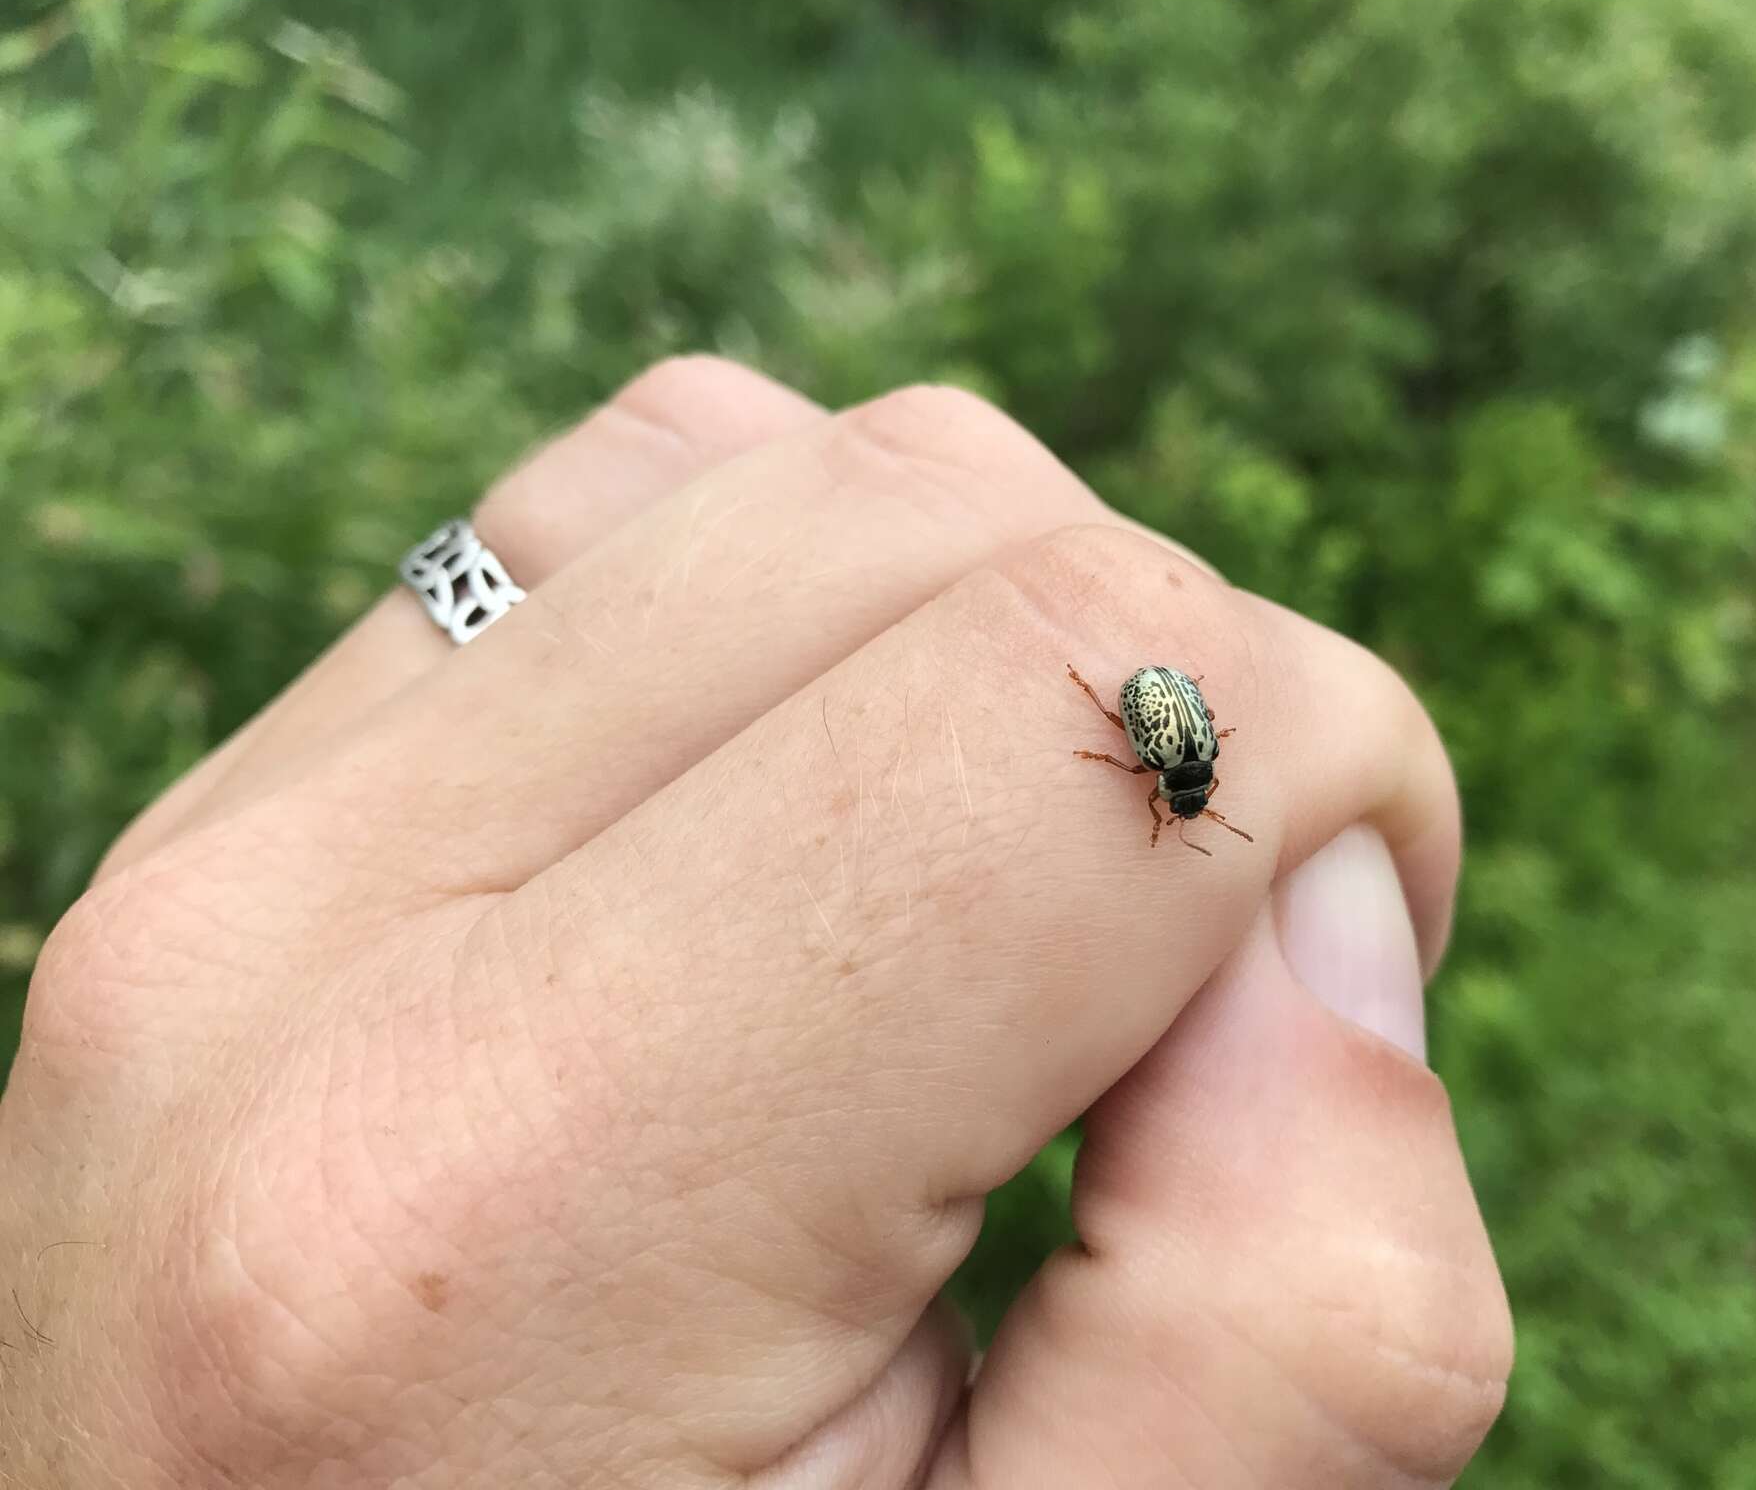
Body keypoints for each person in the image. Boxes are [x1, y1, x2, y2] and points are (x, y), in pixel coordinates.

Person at [0, 360, 1512, 1487]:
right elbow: (1151, 708)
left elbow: (1157, 712)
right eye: (1181, 796)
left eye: (1181, 801)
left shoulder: (1177, 761)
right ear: (1180, 779)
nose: (1177, 800)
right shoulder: (1169, 755)